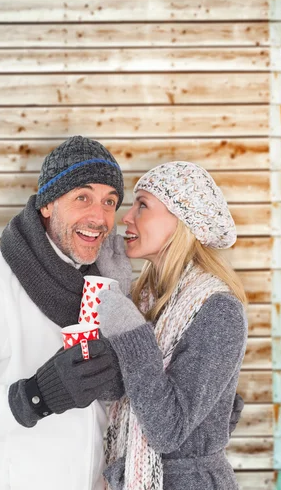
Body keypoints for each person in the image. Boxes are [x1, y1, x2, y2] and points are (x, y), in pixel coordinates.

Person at [0, 136, 132, 490]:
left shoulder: (100, 285)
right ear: (47, 205)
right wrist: (36, 396)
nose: (100, 217)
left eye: (110, 201)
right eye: (83, 197)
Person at [96, 161, 248, 490]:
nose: (126, 217)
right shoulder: (148, 298)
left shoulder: (218, 310)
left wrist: (127, 329)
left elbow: (167, 431)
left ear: (182, 220)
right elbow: (113, 390)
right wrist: (116, 289)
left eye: (143, 205)